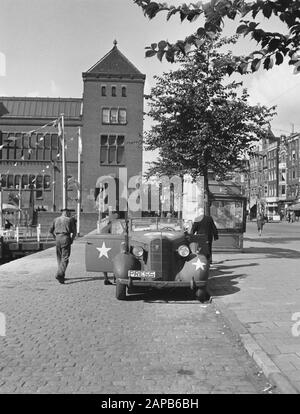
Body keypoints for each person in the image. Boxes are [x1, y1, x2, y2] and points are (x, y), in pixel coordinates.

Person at [49, 208, 77, 284]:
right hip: (65, 237)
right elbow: (74, 232)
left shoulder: (56, 219)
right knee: (65, 257)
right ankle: (60, 274)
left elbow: (50, 231)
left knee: (59, 257)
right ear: (67, 213)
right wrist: (72, 239)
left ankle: (61, 275)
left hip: (57, 238)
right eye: (69, 213)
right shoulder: (70, 220)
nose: (70, 214)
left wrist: (55, 238)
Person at [99, 212, 118, 285]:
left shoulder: (104, 228)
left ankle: (106, 278)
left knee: (105, 262)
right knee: (116, 261)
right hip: (112, 246)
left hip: (104, 248)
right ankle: (116, 277)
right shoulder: (114, 227)